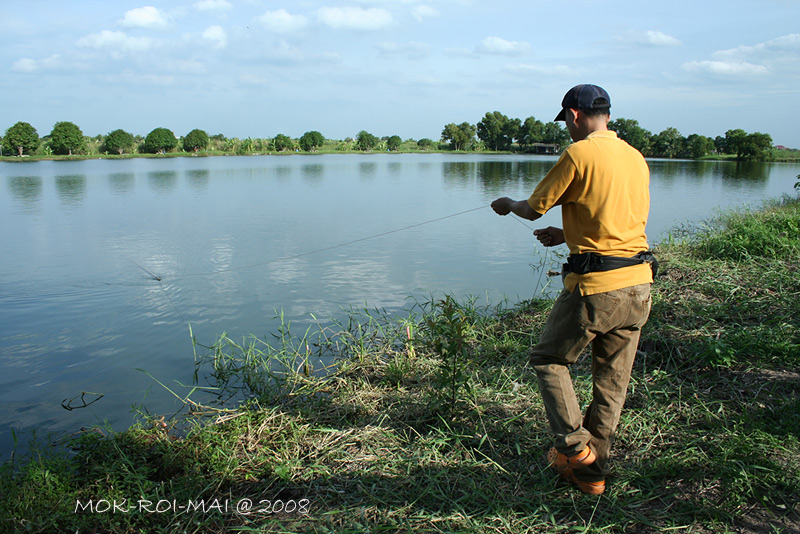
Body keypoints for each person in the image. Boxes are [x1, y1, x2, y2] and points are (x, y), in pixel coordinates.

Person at [491, 84, 654, 495]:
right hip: (639, 284)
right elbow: (618, 218)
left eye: (565, 120)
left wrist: (509, 203)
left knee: (548, 358)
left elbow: (532, 208)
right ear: (608, 116)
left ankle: (574, 448)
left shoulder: (578, 153)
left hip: (597, 288)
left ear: (574, 115)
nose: (566, 127)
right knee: (612, 381)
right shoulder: (635, 157)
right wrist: (568, 233)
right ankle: (591, 472)